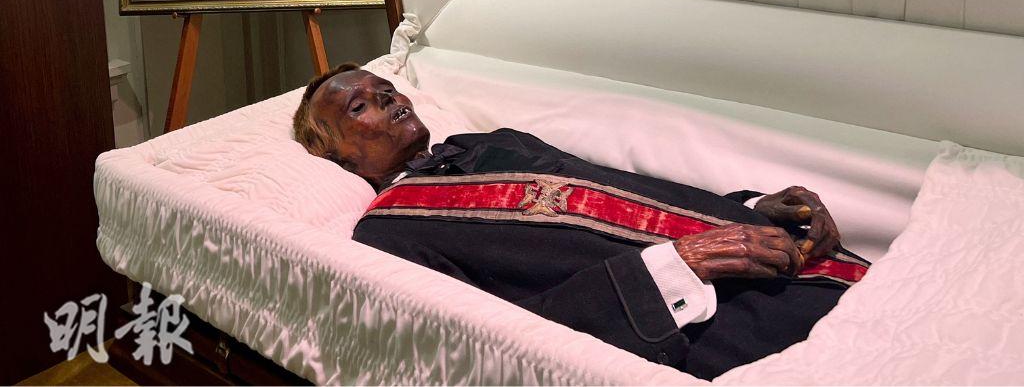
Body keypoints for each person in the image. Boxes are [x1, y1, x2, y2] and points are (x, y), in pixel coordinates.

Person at [293, 63, 869, 380]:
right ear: (335, 156)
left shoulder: (487, 143)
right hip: (722, 328)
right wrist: (683, 265)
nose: (391, 100)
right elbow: (498, 344)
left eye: (387, 89)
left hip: (812, 265)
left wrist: (753, 207)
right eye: (359, 106)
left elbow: (628, 190)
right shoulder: (387, 232)